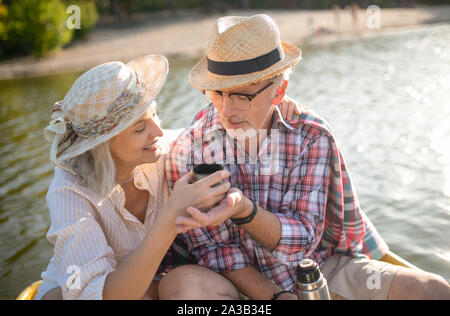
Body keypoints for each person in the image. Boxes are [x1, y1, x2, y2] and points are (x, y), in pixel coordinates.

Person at [161, 14, 450, 300]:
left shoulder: (311, 135)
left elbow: (302, 240)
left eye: (241, 95)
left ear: (279, 91)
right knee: (183, 287)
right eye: (217, 93)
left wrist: (243, 210)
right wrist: (278, 298)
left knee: (433, 290)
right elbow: (215, 251)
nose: (226, 109)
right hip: (240, 286)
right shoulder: (190, 149)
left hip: (320, 268)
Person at [36, 54, 302, 300]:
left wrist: (270, 105)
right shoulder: (69, 191)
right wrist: (170, 216)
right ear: (101, 145)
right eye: (140, 128)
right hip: (96, 291)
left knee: (182, 284)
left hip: (158, 282)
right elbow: (102, 295)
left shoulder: (167, 151)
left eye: (154, 115)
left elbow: (220, 121)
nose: (158, 132)